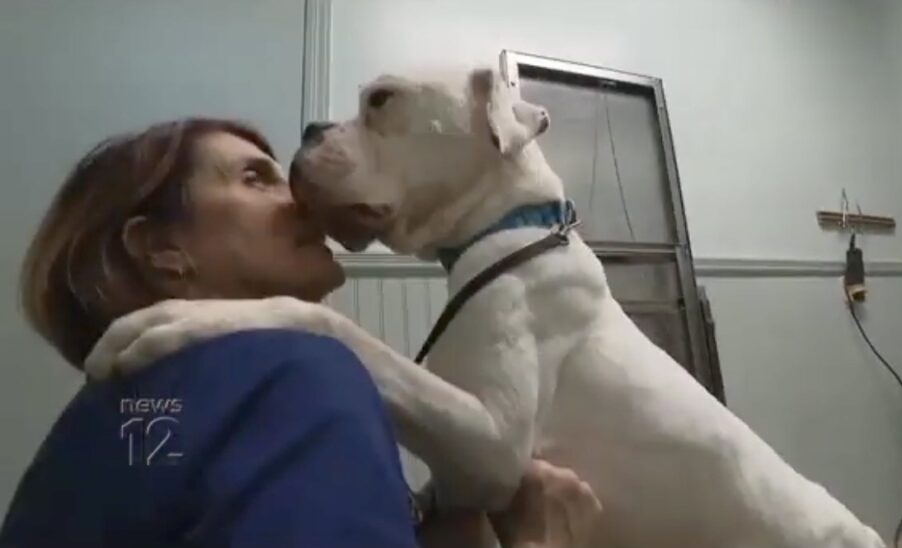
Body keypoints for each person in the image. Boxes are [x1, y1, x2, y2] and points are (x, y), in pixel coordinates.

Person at [2, 118, 600, 547]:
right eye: (257, 179)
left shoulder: (110, 422)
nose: (304, 201)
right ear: (161, 249)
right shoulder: (292, 369)